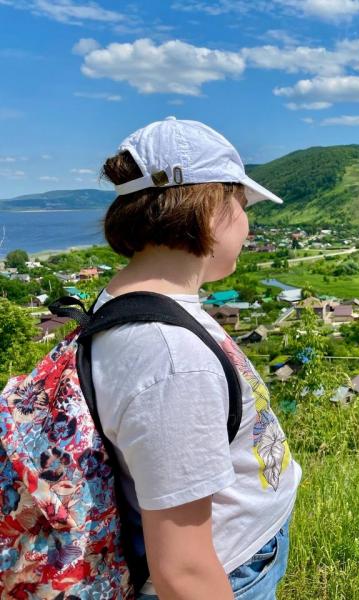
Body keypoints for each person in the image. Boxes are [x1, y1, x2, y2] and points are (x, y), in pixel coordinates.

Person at [92, 117, 300, 599]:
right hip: (230, 571)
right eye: (242, 204)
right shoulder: (172, 357)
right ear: (210, 209)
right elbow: (182, 569)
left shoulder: (136, 305)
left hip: (236, 554)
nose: (248, 224)